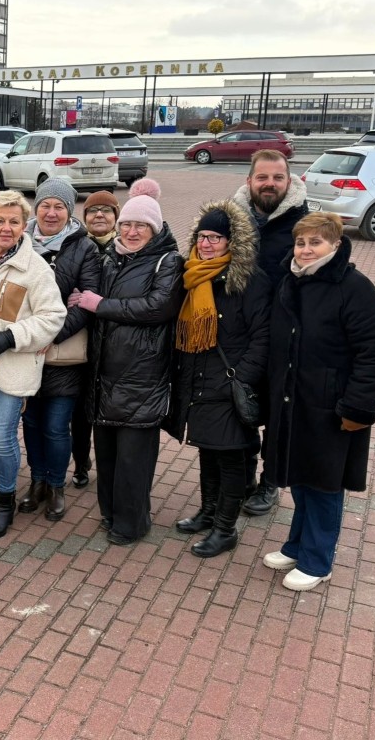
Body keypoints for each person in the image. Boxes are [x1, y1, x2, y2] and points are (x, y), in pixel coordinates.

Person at [261, 213, 375, 590]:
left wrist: (357, 407)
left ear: (335, 245)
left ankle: (318, 561)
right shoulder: (291, 281)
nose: (305, 250)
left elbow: (374, 352)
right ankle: (297, 546)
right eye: (301, 242)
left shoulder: (353, 287)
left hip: (331, 407)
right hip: (293, 401)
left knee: (324, 483)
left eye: (315, 243)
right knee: (301, 478)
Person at [73, 189, 184, 545]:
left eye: (141, 226)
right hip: (104, 373)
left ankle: (132, 523)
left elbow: (158, 307)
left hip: (141, 375)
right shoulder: (111, 257)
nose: (132, 232)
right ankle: (110, 513)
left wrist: (100, 305)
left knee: (134, 459)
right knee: (107, 454)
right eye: (127, 225)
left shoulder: (167, 261)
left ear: (154, 229)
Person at [164, 200, 272, 557]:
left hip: (229, 383)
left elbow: (262, 337)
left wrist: (240, 378)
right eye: (202, 236)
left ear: (232, 242)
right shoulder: (193, 275)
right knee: (208, 451)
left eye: (215, 237)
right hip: (198, 380)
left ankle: (225, 529)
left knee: (229, 457)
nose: (207, 244)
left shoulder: (249, 280)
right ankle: (208, 512)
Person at [0, 190, 66, 540]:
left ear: (25, 225)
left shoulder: (34, 267)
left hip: (15, 365)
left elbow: (53, 316)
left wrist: (12, 336)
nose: (6, 228)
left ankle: (6, 500)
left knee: (1, 435)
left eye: (14, 221)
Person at [231, 150, 310, 516]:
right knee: (241, 406)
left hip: (284, 338)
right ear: (249, 181)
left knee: (279, 415)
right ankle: (243, 476)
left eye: (278, 178)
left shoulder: (303, 225)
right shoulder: (232, 220)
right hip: (241, 334)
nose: (270, 184)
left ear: (289, 182)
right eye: (262, 177)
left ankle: (270, 482)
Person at [18, 179, 101, 522]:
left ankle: (56, 486)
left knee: (55, 426)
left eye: (59, 207)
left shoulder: (84, 248)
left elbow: (86, 303)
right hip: (25, 353)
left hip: (62, 355)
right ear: (36, 208)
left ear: (69, 211)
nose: (51, 213)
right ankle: (37, 481)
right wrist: (24, 335)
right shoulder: (19, 241)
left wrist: (51, 336)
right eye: (45, 205)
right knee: (31, 423)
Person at [69, 187, 124, 489]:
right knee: (79, 411)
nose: (99, 215)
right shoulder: (76, 245)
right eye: (92, 210)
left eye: (106, 210)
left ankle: (110, 467)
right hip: (81, 338)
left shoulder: (125, 248)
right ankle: (81, 462)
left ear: (116, 216)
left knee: (108, 409)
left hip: (113, 342)